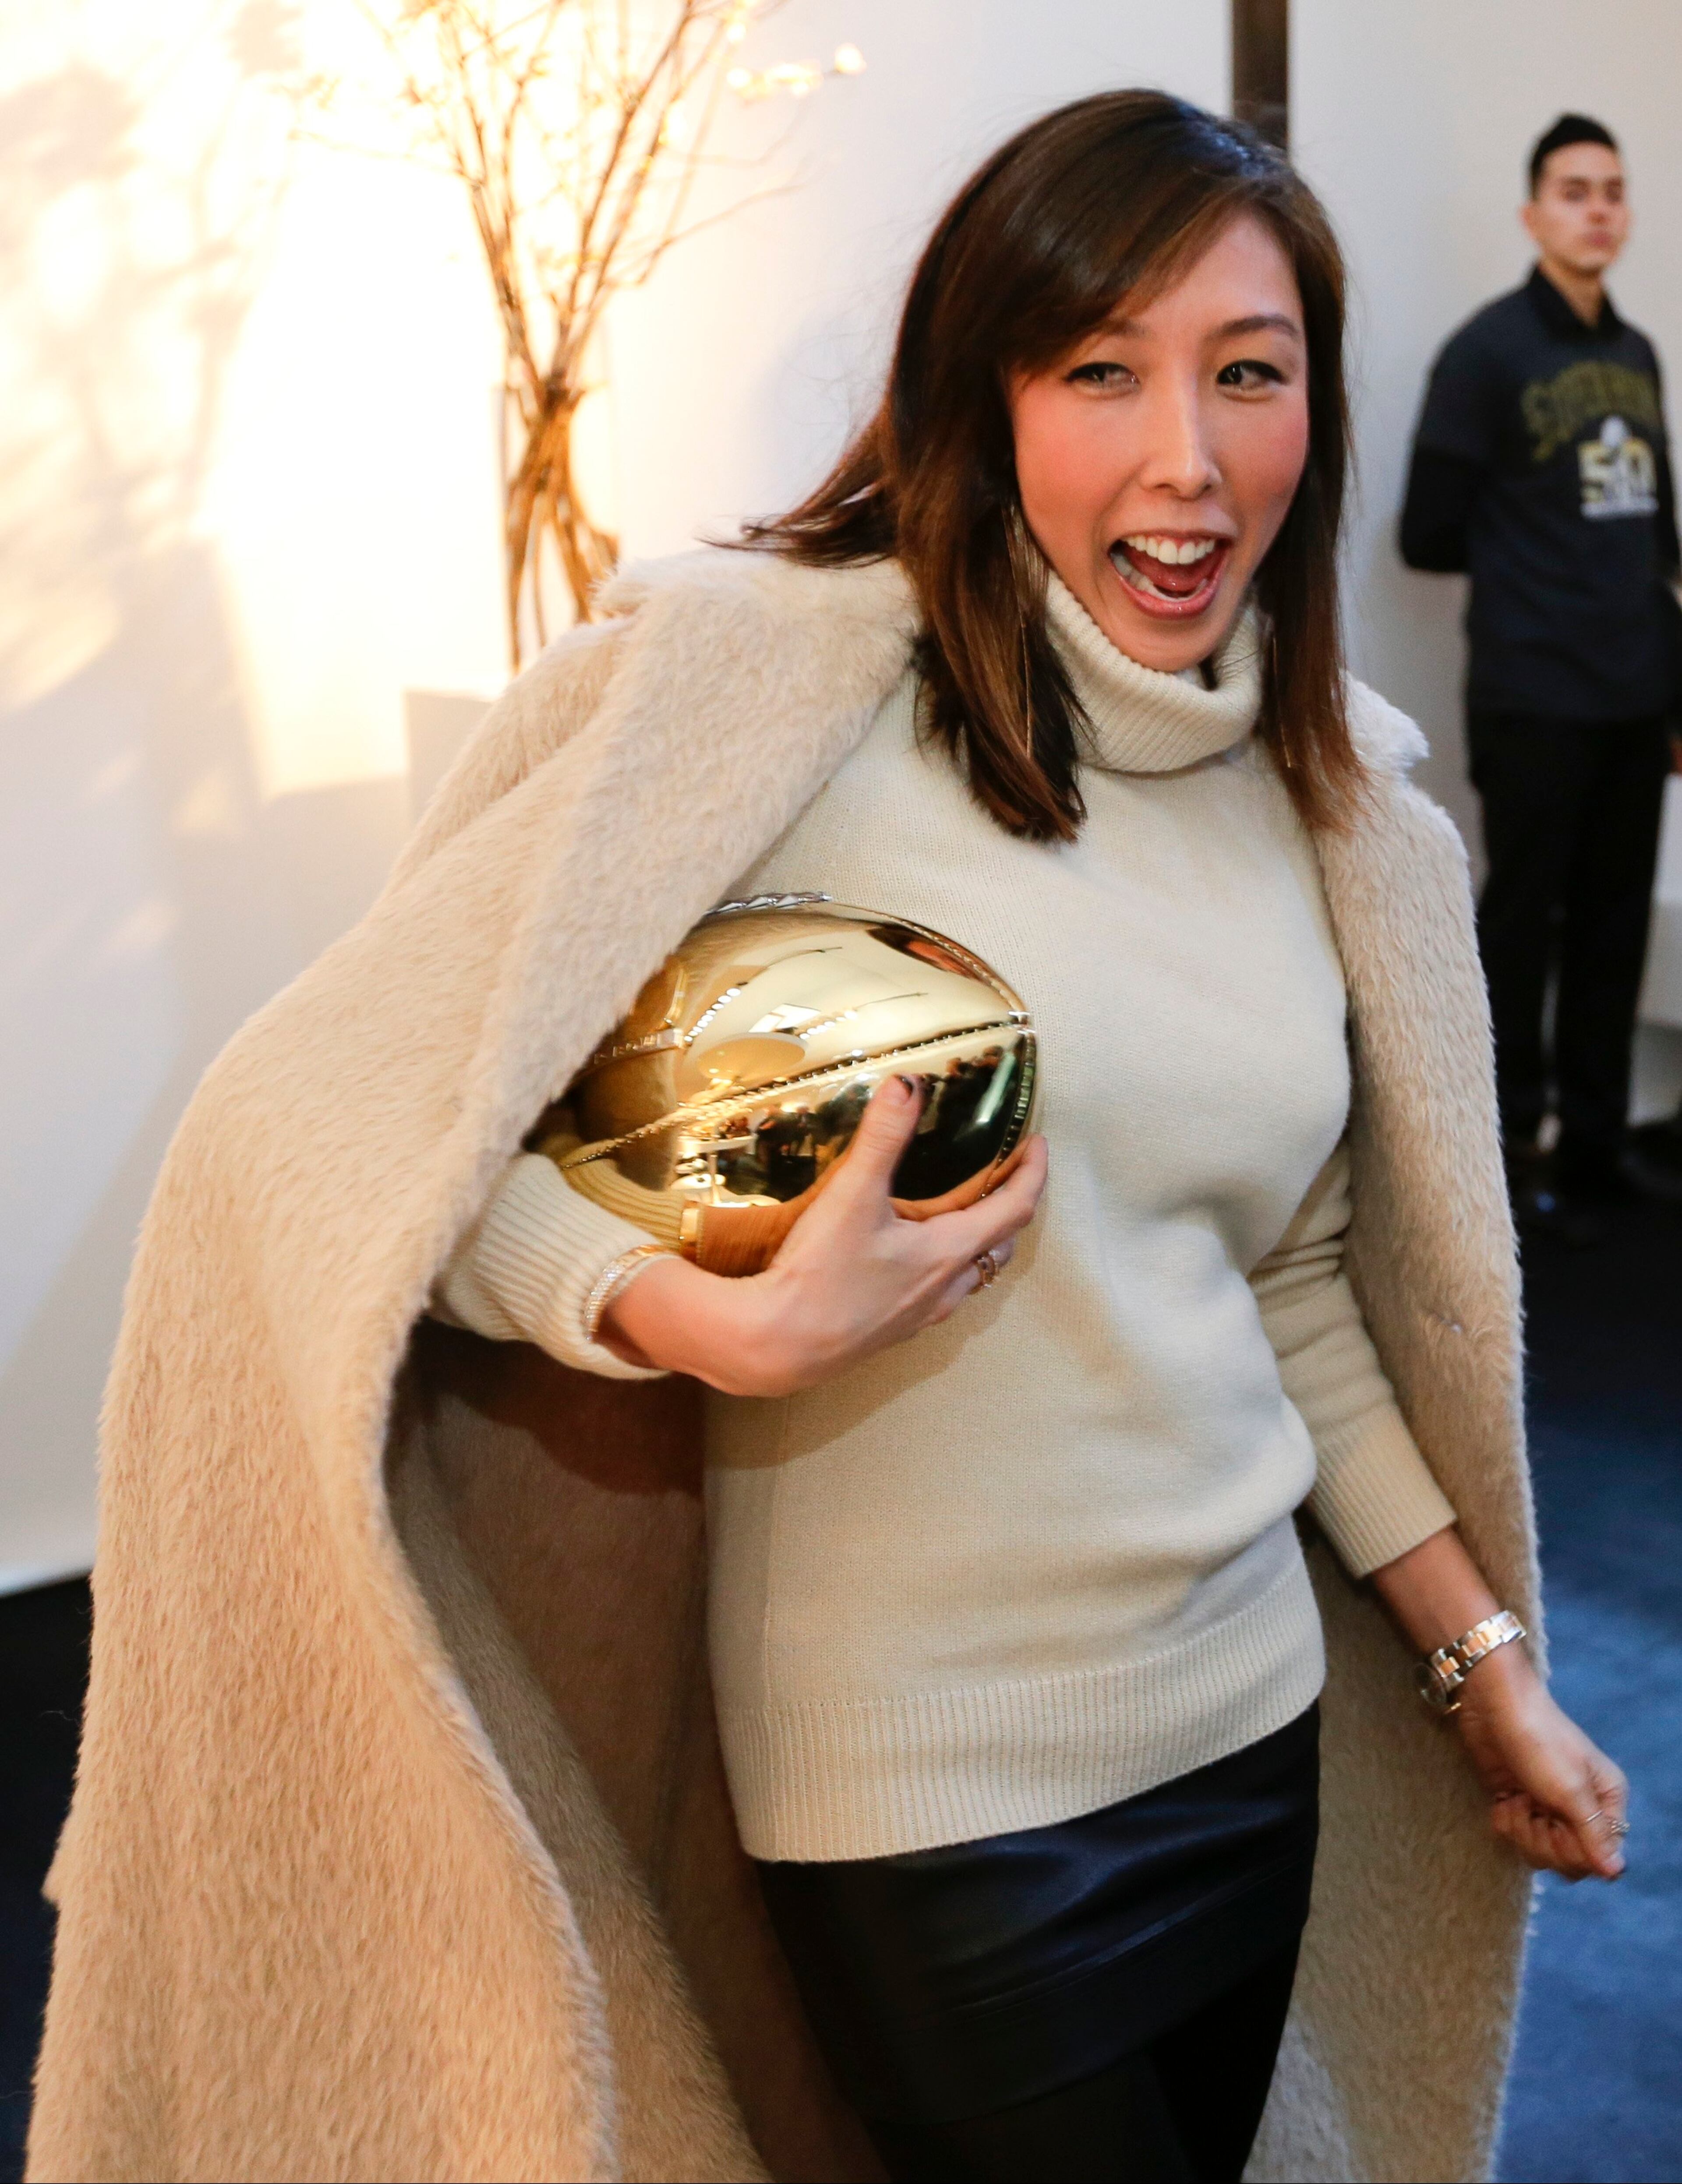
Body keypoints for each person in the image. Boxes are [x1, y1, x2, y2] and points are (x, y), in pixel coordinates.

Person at [34, 95, 1624, 2184]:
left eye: (1249, 371)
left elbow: (1297, 1282)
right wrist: (695, 1323)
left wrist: (1479, 1662)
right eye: (1100, 373)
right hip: (926, 1804)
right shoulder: (781, 716)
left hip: (1249, 1736)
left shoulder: (1324, 810)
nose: (1188, 456)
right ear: (982, 395)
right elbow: (363, 1149)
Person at [1401, 113, 1682, 1239]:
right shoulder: (1485, 353)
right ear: (1534, 214)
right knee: (1522, 927)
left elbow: (1660, 539)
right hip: (1532, 695)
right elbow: (1428, 533)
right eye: (1575, 191)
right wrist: (1540, 571)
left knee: (1616, 926)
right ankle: (1510, 1151)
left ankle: (1601, 1142)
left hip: (1632, 694)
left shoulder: (1637, 355)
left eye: (1613, 190)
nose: (1598, 208)